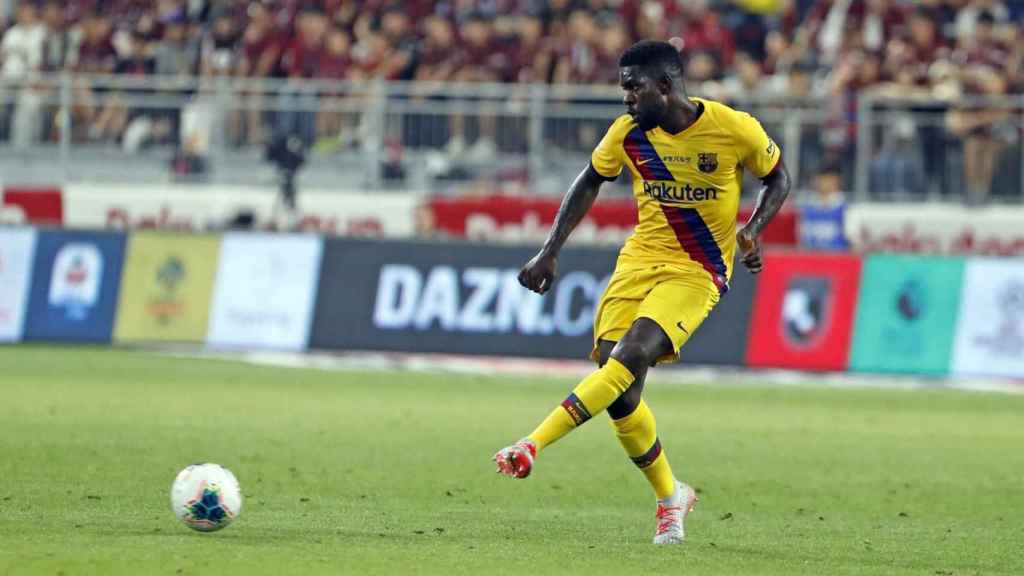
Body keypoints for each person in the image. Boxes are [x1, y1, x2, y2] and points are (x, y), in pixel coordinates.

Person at [492, 40, 791, 545]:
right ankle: (671, 496)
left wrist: (753, 228)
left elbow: (777, 177)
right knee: (621, 392)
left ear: (667, 87)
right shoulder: (629, 133)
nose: (627, 99)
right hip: (635, 265)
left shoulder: (732, 127)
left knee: (628, 358)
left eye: (634, 88)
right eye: (623, 89)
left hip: (695, 271)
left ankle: (531, 444)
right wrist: (550, 250)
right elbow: (589, 181)